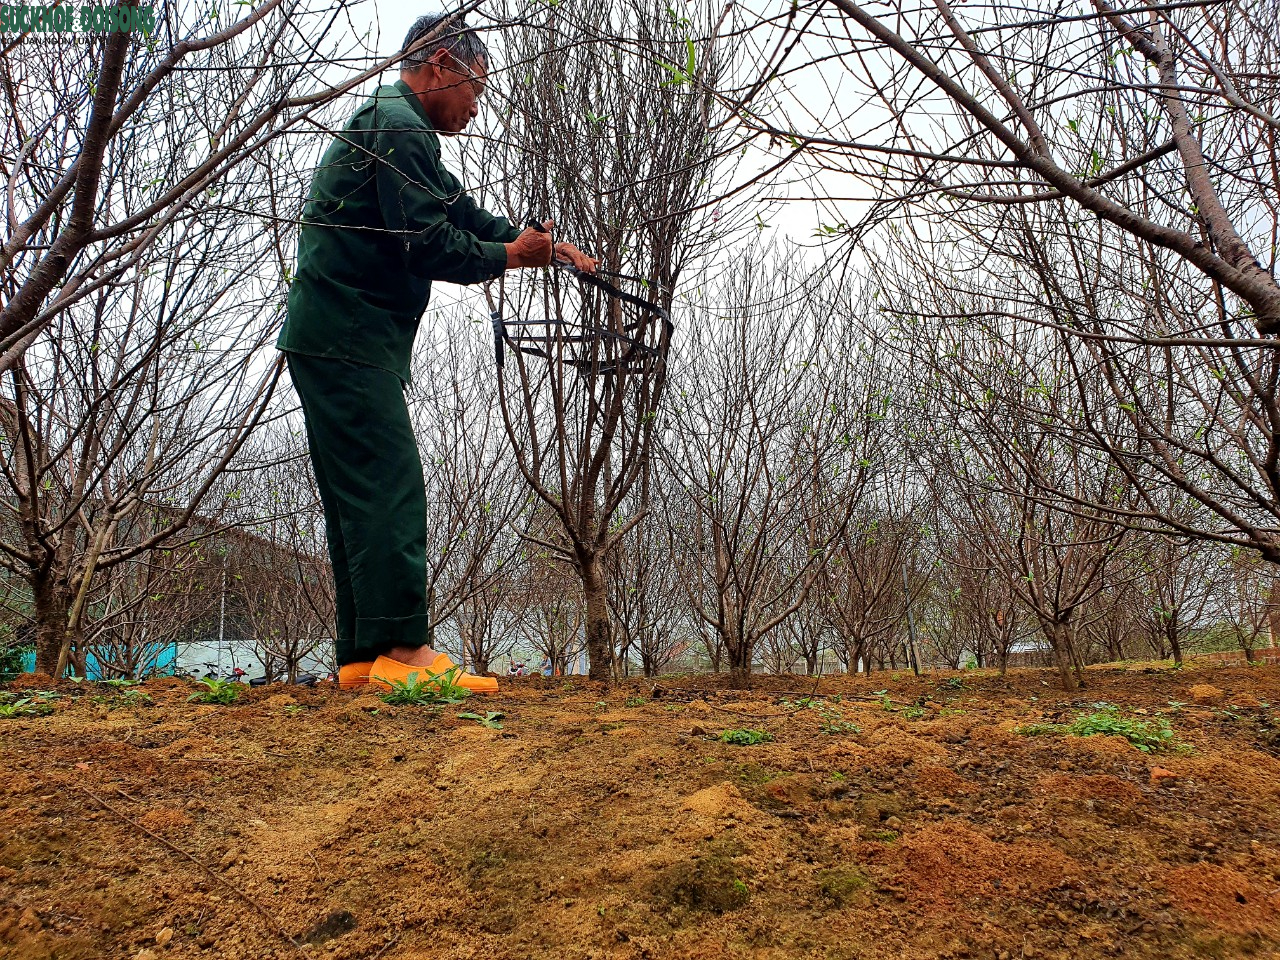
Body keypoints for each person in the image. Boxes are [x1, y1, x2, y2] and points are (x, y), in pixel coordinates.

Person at [277, 14, 597, 693]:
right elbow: (425, 241)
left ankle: (365, 660)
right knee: (390, 483)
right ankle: (405, 651)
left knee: (357, 495)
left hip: (336, 337)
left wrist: (542, 248)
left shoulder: (396, 128)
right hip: (349, 335)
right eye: (475, 89)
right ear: (442, 66)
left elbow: (457, 211)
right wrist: (510, 256)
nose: (475, 108)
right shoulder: (399, 127)